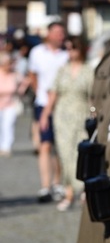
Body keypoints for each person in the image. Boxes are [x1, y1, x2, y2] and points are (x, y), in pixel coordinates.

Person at [40, 36, 94, 211]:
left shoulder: (88, 70)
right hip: (62, 116)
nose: (70, 52)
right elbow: (53, 94)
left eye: (73, 48)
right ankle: (69, 192)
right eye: (68, 49)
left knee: (80, 154)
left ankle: (83, 188)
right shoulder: (62, 70)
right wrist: (45, 115)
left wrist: (96, 116)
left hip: (81, 115)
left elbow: (92, 97)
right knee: (64, 154)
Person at [28, 21, 69, 203]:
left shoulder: (66, 54)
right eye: (57, 32)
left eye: (62, 33)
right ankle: (45, 185)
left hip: (62, 105)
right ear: (49, 34)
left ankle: (57, 182)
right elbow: (32, 75)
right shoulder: (37, 53)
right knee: (44, 144)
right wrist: (40, 94)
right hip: (43, 103)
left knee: (59, 146)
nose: (60, 36)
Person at [0, 51, 28, 156]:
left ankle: (6, 147)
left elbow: (25, 82)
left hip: (10, 103)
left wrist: (21, 91)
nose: (9, 65)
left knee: (8, 125)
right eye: (7, 63)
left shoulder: (15, 74)